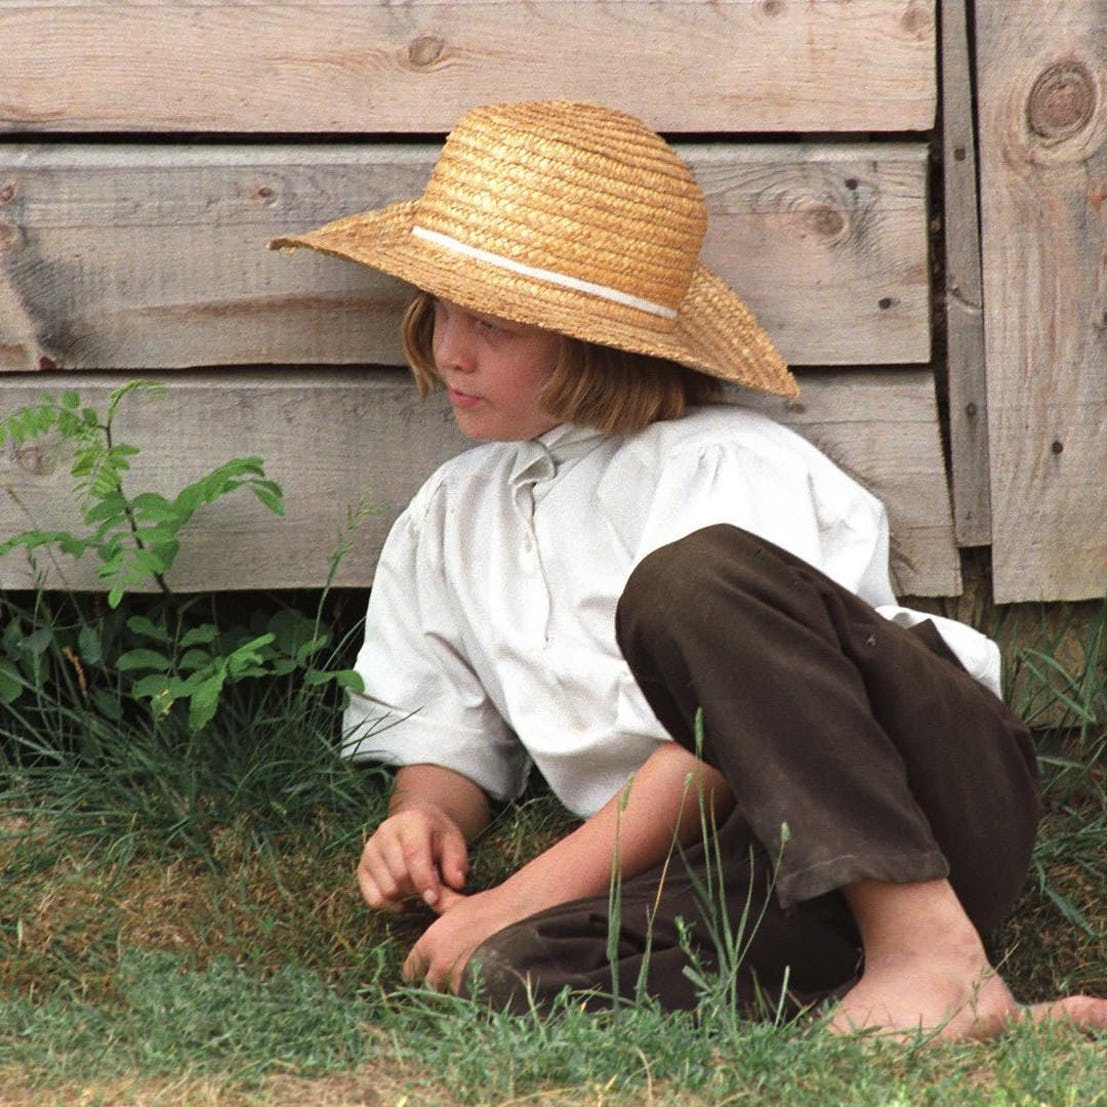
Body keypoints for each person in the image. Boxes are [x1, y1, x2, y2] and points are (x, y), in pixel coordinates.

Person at [270, 100, 1107, 1039]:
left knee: (687, 582)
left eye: (493, 325)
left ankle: (924, 948)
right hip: (751, 868)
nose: (447, 350)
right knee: (508, 972)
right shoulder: (450, 514)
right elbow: (447, 723)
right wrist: (427, 815)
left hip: (923, 798)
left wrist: (528, 887)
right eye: (440, 312)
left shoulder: (723, 465)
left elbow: (721, 743)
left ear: (594, 337)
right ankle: (946, 1009)